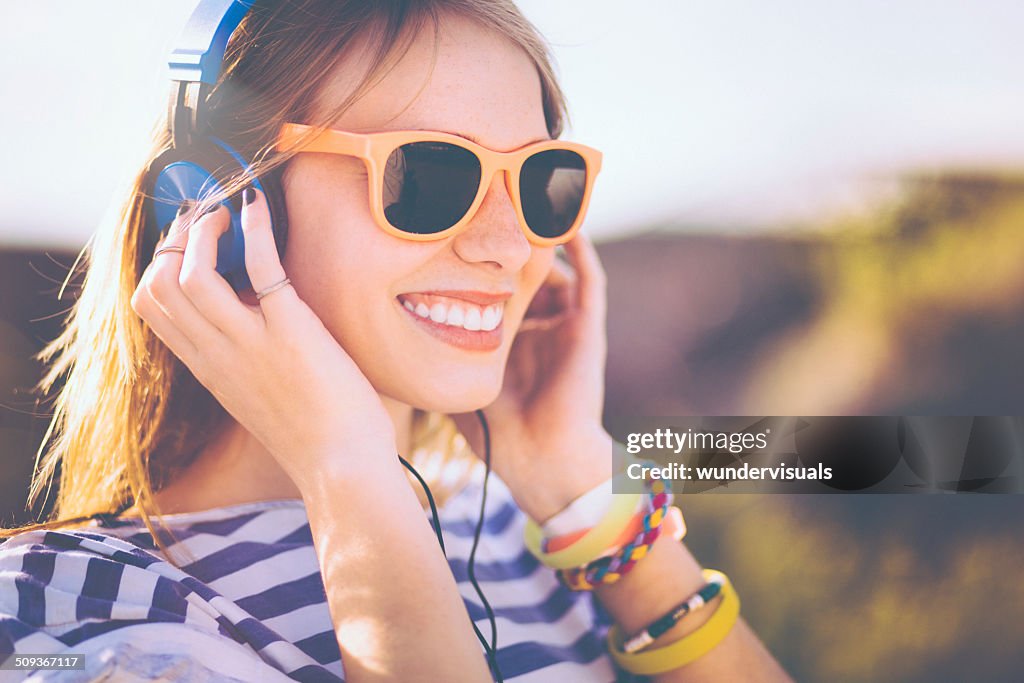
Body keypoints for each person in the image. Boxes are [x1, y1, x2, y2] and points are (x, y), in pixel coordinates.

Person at [0, 1, 793, 681]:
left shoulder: (533, 549)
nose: (506, 246)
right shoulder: (72, 608)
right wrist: (348, 470)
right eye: (428, 176)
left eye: (539, 180)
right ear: (223, 204)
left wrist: (582, 492)